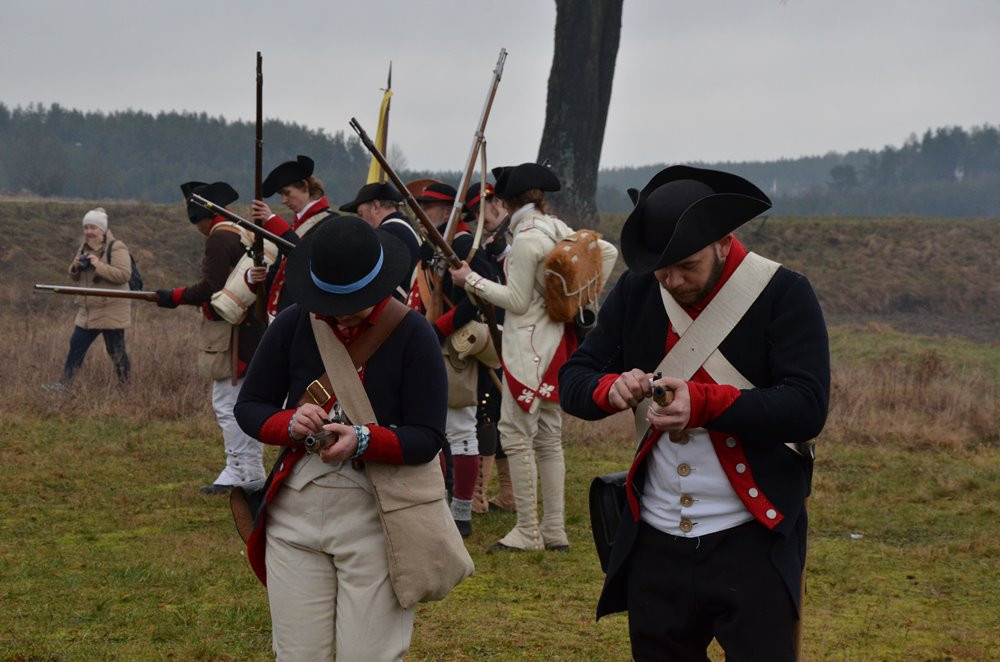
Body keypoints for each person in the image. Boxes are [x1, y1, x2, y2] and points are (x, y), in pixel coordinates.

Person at [558, 165, 830, 661]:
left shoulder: (784, 292)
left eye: (686, 265)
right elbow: (574, 379)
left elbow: (806, 406)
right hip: (656, 538)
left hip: (753, 538)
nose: (673, 280)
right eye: (662, 267)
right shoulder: (640, 290)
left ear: (724, 243)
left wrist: (706, 403)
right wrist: (611, 389)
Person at [234, 216, 470, 660]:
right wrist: (289, 422)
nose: (340, 313)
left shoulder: (413, 334)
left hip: (380, 518)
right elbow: (250, 407)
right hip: (295, 514)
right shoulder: (293, 324)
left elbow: (427, 438)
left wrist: (364, 439)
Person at [450, 163, 618, 551]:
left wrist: (469, 279)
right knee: (548, 438)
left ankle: (528, 531)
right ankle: (554, 530)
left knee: (516, 435)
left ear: (505, 202)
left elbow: (516, 300)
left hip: (528, 346)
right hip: (556, 342)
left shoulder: (527, 239)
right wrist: (576, 300)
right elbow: (605, 251)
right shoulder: (555, 227)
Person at [156, 181, 266, 494]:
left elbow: (211, 287)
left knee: (227, 404)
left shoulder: (219, 238)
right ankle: (248, 470)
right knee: (240, 403)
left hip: (234, 333)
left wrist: (174, 296)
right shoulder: (241, 232)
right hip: (249, 330)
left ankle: (241, 471)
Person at [47, 208, 132, 390]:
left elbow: (124, 275)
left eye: (93, 227)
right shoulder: (84, 247)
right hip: (87, 310)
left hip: (111, 310)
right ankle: (63, 386)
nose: (89, 232)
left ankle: (125, 388)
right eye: (86, 228)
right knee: (76, 346)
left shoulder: (117, 247)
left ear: (102, 229)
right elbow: (75, 276)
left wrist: (98, 265)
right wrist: (75, 266)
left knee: (116, 351)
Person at [249, 155, 337, 319]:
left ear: (304, 186)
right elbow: (280, 271)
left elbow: (304, 256)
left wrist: (272, 221)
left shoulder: (331, 223)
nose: (283, 200)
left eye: (287, 193)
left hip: (307, 315)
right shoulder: (295, 227)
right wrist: (255, 277)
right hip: (286, 314)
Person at [339, 181, 420, 301]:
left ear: (376, 206)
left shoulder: (387, 233)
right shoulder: (404, 226)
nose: (361, 221)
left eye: (361, 214)